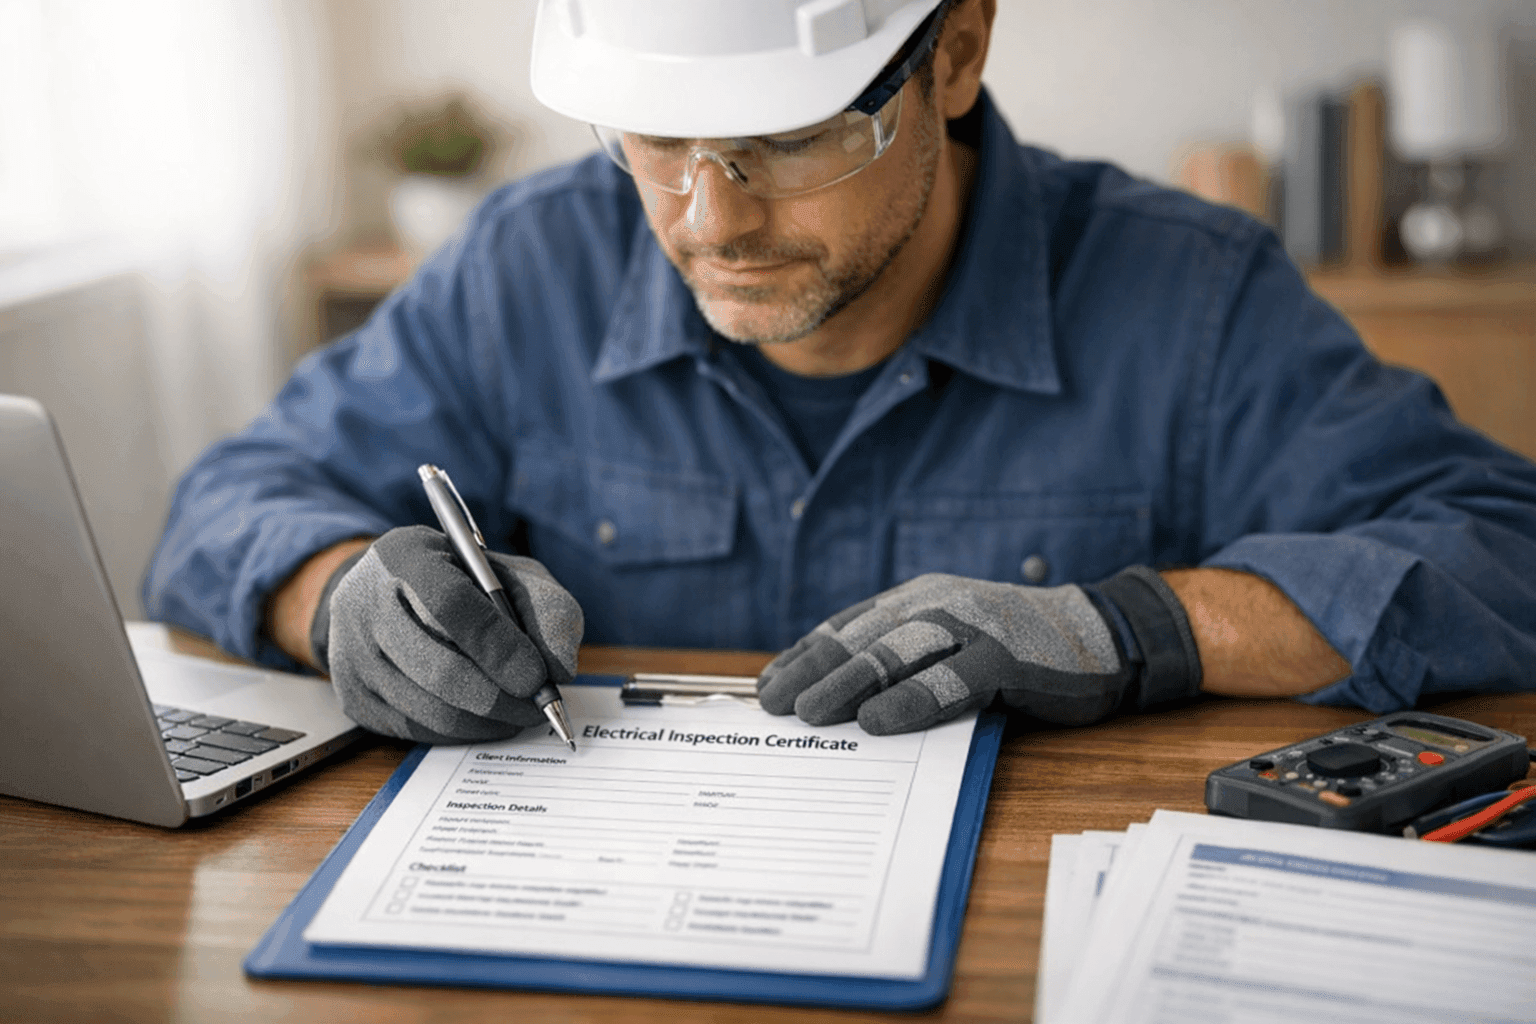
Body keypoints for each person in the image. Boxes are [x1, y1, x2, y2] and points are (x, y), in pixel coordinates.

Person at [145, 0, 1536, 744]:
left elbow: (1501, 549)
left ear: (956, 53)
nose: (711, 218)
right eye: (653, 141)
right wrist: (342, 601)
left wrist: (1139, 628)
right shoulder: (531, 261)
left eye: (786, 141)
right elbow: (235, 500)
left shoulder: (1191, 292)